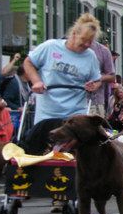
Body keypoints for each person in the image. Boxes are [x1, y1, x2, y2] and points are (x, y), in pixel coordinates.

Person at [22, 13, 102, 155]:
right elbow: (28, 62)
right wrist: (37, 81)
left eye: (90, 42)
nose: (86, 44)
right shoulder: (50, 47)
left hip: (75, 115)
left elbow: (97, 80)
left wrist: (93, 86)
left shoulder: (90, 57)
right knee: (42, 152)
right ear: (74, 34)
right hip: (47, 112)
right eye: (84, 40)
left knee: (73, 154)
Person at [89, 40, 115, 118]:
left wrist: (99, 78)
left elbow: (112, 76)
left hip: (94, 102)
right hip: (71, 102)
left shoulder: (102, 50)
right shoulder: (69, 48)